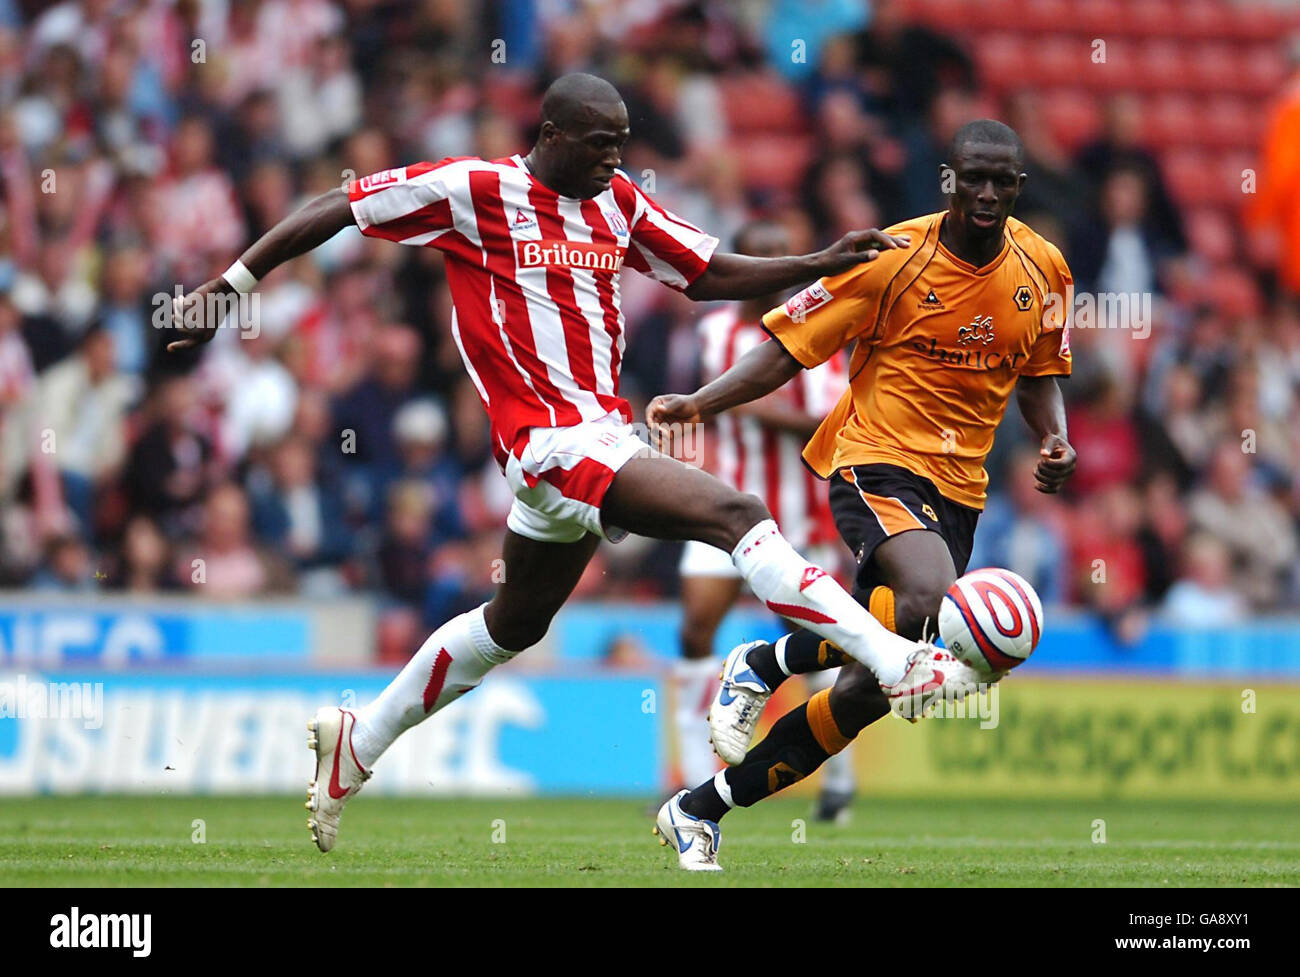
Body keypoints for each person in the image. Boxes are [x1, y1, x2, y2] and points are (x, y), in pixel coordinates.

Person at [168, 73, 976, 863]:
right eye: (598, 144)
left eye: (620, 146)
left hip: (594, 435)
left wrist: (819, 262)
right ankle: (889, 656)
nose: (612, 160)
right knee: (735, 515)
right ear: (550, 134)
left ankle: (359, 738)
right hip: (549, 441)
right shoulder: (473, 189)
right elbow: (336, 206)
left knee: (513, 624)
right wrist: (228, 287)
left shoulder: (617, 201)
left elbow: (705, 274)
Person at [647, 119, 1077, 868]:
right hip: (874, 462)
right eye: (970, 177)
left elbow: (1040, 372)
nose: (984, 192)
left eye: (1000, 181)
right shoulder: (891, 259)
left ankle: (701, 804)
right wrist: (699, 404)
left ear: (1018, 187)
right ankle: (774, 660)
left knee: (864, 693)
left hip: (960, 492)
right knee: (930, 605)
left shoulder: (1045, 270)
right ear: (948, 177)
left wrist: (1053, 436)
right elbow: (787, 348)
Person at [674, 217, 856, 821]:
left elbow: (832, 423)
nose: (778, 265)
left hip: (800, 516)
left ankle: (838, 783)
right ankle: (690, 775)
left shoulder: (817, 328)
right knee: (696, 629)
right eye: (766, 255)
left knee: (820, 644)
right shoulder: (715, 333)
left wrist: (754, 403)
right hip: (722, 506)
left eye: (784, 252)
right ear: (746, 263)